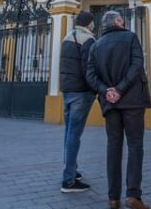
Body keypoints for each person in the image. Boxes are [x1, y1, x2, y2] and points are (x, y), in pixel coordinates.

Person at [86, 11, 151, 209]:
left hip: (110, 104)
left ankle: (113, 198)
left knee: (113, 148)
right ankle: (133, 195)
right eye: (121, 20)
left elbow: (90, 76)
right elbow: (137, 65)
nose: (123, 23)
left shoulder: (96, 45)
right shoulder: (130, 37)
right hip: (132, 101)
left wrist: (107, 91)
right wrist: (120, 89)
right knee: (135, 146)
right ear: (117, 21)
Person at [59, 11, 97, 193]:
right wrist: (95, 88)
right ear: (89, 23)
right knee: (74, 134)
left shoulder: (67, 37)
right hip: (81, 92)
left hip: (67, 90)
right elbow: (88, 67)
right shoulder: (88, 39)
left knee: (69, 133)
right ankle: (68, 180)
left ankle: (71, 169)